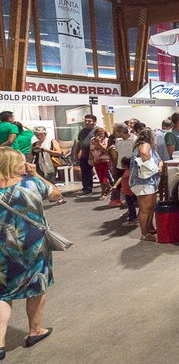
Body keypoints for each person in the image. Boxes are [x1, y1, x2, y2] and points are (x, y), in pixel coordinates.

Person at [0, 148, 62, 357]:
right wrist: (36, 174)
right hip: (32, 244)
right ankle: (35, 330)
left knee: (2, 292)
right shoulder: (30, 183)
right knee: (36, 285)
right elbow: (56, 194)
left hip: (2, 246)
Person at [130, 129, 162, 242]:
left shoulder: (141, 146)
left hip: (148, 182)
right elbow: (144, 153)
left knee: (150, 207)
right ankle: (144, 233)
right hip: (143, 182)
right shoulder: (145, 145)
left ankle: (149, 228)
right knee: (145, 208)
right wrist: (152, 166)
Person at [108, 123, 136, 208]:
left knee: (131, 189)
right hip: (120, 167)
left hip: (131, 168)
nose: (114, 134)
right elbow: (116, 154)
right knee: (124, 189)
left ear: (120, 132)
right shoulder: (118, 141)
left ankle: (132, 210)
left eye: (115, 132)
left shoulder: (134, 139)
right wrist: (114, 166)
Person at [110, 157, 137, 227]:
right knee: (130, 205)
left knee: (131, 206)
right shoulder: (127, 171)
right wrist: (115, 185)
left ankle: (132, 219)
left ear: (125, 165)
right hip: (127, 192)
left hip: (130, 192)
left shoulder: (130, 172)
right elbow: (121, 178)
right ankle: (133, 218)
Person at [74, 114, 98, 195]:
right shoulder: (82, 131)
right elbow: (79, 142)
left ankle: (108, 187)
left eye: (89, 121)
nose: (87, 122)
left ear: (94, 122)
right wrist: (77, 152)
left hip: (97, 155)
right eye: (86, 121)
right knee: (85, 172)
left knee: (102, 172)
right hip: (85, 155)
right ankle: (86, 188)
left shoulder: (98, 130)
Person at [89, 127, 112, 200]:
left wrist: (99, 143)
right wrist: (90, 158)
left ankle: (103, 192)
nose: (99, 136)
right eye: (97, 134)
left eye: (101, 134)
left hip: (105, 160)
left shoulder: (107, 140)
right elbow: (91, 149)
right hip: (96, 160)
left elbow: (106, 150)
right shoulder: (92, 140)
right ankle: (110, 188)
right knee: (100, 175)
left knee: (103, 176)